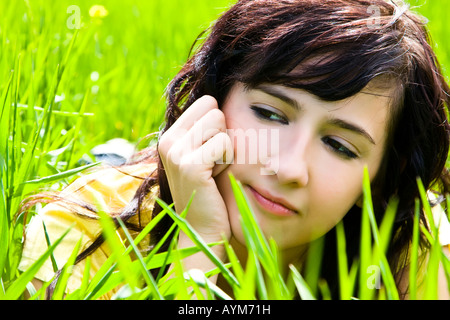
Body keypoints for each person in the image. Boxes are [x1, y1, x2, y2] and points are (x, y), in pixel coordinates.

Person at [18, 0, 450, 299]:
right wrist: (200, 244)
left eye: (339, 145)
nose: (287, 167)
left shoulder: (411, 254)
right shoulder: (79, 231)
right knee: (114, 161)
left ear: (378, 180)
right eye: (270, 114)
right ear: (215, 97)